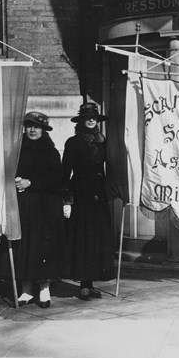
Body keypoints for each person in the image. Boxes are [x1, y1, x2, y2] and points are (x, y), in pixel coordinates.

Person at [1, 111, 64, 308]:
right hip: (23, 207)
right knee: (24, 246)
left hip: (45, 208)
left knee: (42, 247)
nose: (32, 130)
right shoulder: (17, 150)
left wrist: (32, 182)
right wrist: (15, 180)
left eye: (37, 127)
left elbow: (57, 179)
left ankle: (44, 290)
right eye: (29, 126)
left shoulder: (51, 152)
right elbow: (7, 172)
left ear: (44, 130)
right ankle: (26, 290)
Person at [62, 102, 115, 301]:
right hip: (81, 193)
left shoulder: (103, 142)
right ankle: (84, 284)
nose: (91, 120)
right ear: (82, 120)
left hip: (99, 195)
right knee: (83, 239)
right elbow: (65, 171)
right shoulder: (73, 142)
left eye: (94, 117)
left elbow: (112, 166)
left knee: (97, 239)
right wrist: (66, 198)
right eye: (87, 117)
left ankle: (92, 282)